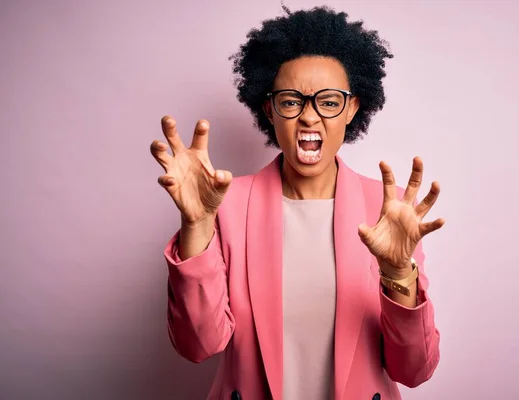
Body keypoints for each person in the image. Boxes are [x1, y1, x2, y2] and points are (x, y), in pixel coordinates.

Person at [150, 6, 444, 400]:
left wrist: (397, 273)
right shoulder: (226, 204)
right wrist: (197, 225)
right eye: (291, 101)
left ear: (352, 108)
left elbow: (415, 370)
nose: (309, 117)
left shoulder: (387, 210)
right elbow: (198, 345)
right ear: (269, 109)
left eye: (329, 101)